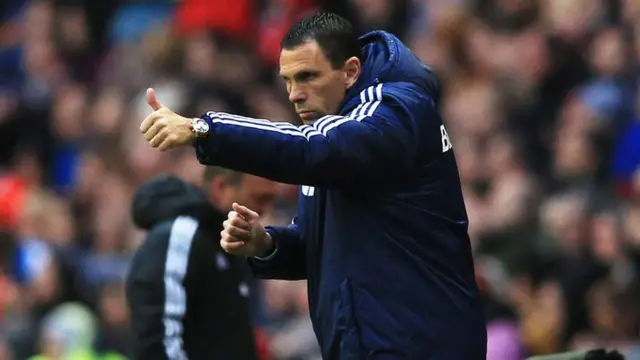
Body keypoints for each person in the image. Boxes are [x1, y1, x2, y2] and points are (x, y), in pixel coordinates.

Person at [139, 12, 487, 359]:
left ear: (350, 71)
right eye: (287, 80)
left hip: (426, 346)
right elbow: (319, 245)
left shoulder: (396, 111)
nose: (294, 94)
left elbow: (313, 149)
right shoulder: (334, 132)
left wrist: (205, 129)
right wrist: (266, 243)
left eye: (307, 77)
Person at [125, 169, 278, 360]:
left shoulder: (226, 245)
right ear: (221, 188)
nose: (265, 211)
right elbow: (158, 338)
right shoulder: (182, 237)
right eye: (259, 199)